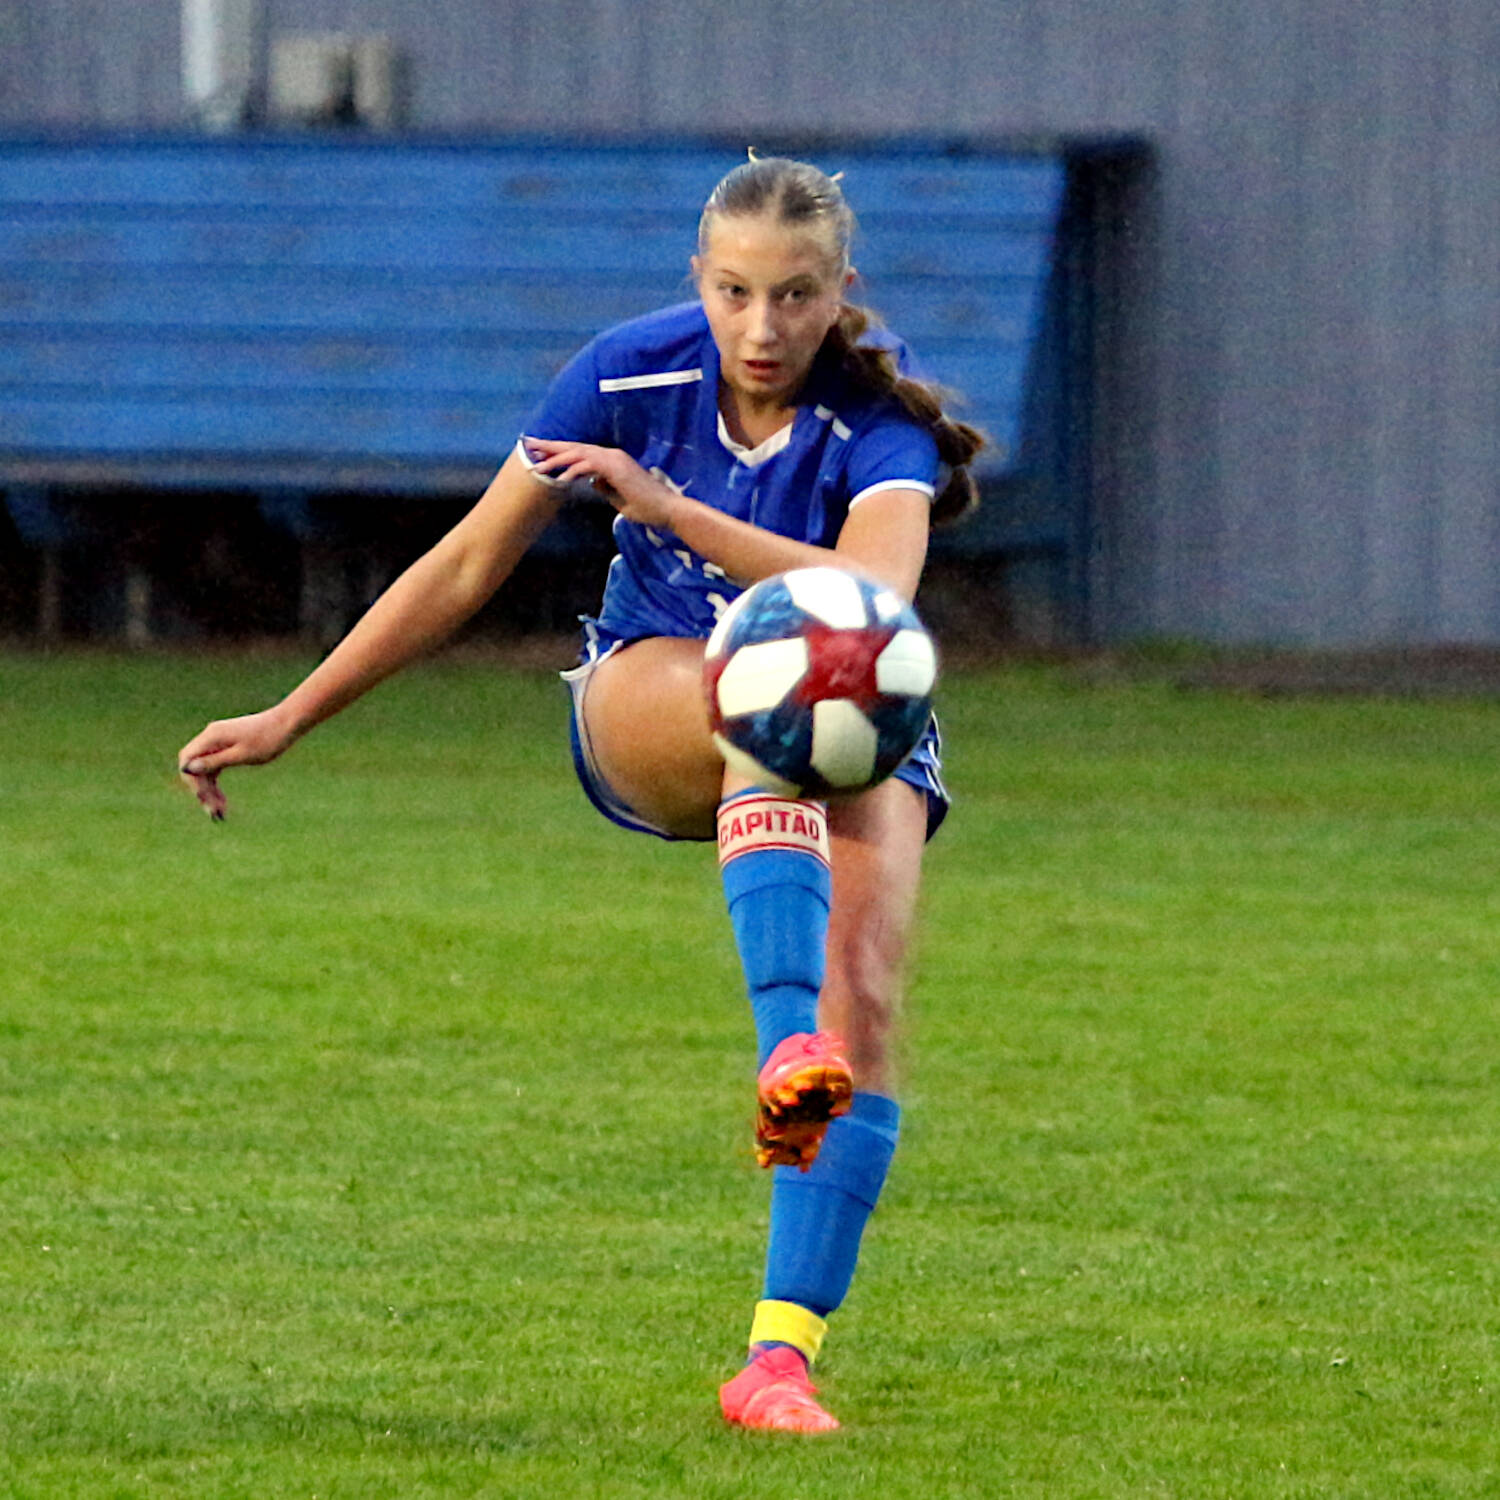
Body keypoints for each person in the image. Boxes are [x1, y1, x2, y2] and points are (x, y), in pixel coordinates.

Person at [178, 154, 984, 1434]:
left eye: (794, 296)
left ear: (843, 293)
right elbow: (463, 568)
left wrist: (669, 508)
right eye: (733, 292)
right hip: (653, 692)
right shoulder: (624, 375)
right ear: (697, 282)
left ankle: (776, 1365)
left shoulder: (876, 430)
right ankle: (785, 1041)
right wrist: (290, 715)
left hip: (865, 704)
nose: (761, 327)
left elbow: (869, 608)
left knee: (870, 1003)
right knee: (757, 692)